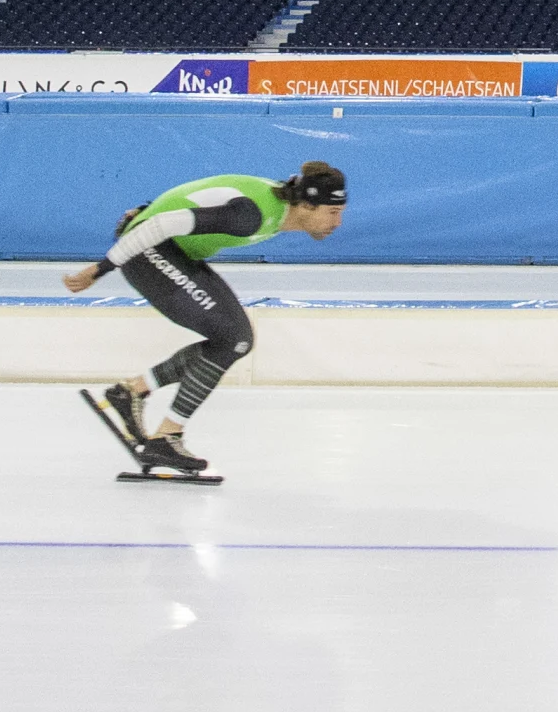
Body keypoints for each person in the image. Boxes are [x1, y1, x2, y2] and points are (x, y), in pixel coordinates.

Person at [66, 160, 349, 476]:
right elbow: (159, 225)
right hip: (148, 249)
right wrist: (101, 268)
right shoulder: (251, 216)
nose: (338, 222)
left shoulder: (278, 206)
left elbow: (200, 196)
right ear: (307, 205)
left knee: (237, 339)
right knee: (234, 338)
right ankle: (165, 435)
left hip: (170, 251)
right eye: (333, 212)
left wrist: (147, 210)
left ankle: (132, 392)